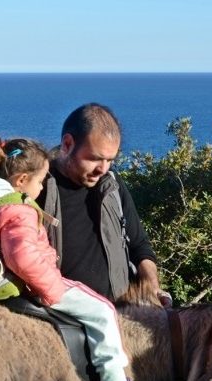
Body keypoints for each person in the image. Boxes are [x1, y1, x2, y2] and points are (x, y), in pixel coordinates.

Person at [0, 136, 158, 381]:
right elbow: (22, 257)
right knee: (102, 310)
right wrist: (51, 288)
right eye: (40, 182)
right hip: (38, 282)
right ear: (22, 180)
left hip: (9, 285)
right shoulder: (19, 211)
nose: (42, 187)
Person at [38, 102, 169, 306]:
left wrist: (152, 286)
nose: (103, 169)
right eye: (95, 159)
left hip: (120, 313)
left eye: (110, 160)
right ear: (67, 144)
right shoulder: (39, 189)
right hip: (62, 319)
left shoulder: (113, 186)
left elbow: (139, 246)